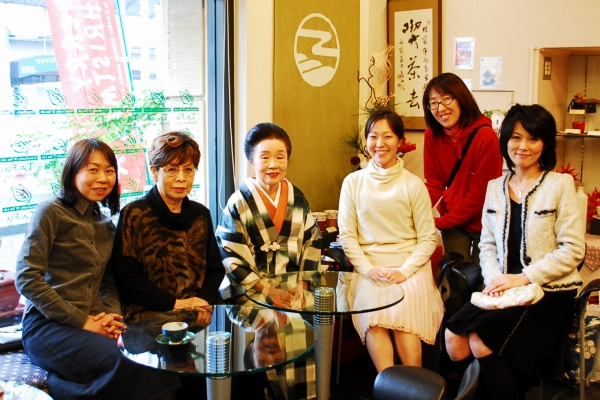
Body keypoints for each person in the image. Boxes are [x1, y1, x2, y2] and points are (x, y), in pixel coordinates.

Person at [15, 138, 180, 399]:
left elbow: (108, 283)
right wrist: (83, 321)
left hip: (94, 322)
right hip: (47, 326)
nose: (103, 178)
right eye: (93, 169)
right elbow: (27, 277)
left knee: (156, 358)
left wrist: (113, 319)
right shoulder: (50, 212)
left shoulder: (106, 225)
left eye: (109, 170)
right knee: (126, 364)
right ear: (73, 172)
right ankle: (60, 387)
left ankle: (63, 386)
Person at [444, 104, 585, 399]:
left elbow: (573, 249)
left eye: (533, 138)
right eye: (516, 137)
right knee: (454, 342)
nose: (523, 146)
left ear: (545, 143)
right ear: (506, 140)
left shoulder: (560, 185)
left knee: (481, 341)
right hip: (504, 289)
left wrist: (522, 278)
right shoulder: (494, 187)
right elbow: (487, 245)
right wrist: (496, 281)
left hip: (548, 293)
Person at [216, 122, 322, 399]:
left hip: (292, 290)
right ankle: (264, 389)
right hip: (251, 292)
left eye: (280, 156)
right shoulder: (238, 202)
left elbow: (312, 240)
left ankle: (306, 395)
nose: (273, 164)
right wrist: (267, 290)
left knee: (308, 331)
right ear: (251, 160)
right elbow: (230, 253)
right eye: (264, 157)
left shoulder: (297, 197)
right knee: (267, 330)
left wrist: (303, 284)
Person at [338, 109, 444, 372]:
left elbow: (427, 239)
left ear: (400, 141)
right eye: (373, 136)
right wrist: (367, 269)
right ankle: (388, 385)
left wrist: (404, 271)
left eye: (387, 136)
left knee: (403, 318)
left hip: (410, 265)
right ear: (366, 140)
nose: (379, 143)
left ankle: (414, 386)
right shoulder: (353, 183)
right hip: (369, 266)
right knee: (374, 320)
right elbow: (348, 236)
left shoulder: (413, 185)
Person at [112, 131, 224, 325]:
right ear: (155, 172)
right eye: (172, 169)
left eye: (188, 170)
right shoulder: (134, 214)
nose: (181, 178)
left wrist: (203, 301)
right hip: (148, 316)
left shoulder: (201, 214)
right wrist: (176, 304)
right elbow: (127, 279)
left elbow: (215, 269)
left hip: (195, 313)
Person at [423, 72, 503, 264]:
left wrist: (439, 222)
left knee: (481, 277)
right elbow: (434, 183)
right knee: (455, 274)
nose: (440, 108)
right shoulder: (432, 135)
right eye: (433, 103)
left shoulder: (486, 138)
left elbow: (479, 196)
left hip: (484, 222)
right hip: (453, 222)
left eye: (446, 99)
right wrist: (413, 213)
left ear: (461, 98)